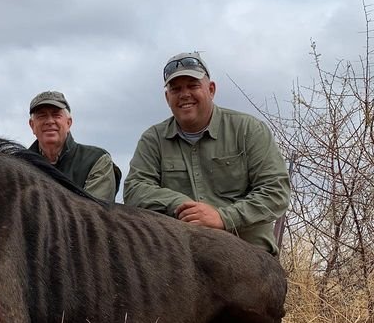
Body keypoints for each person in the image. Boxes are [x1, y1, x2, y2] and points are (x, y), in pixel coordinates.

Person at [123, 52, 290, 255]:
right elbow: (135, 189)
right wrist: (182, 207)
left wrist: (223, 218)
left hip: (247, 255)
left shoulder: (249, 129)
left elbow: (275, 192)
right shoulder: (153, 139)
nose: (184, 94)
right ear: (167, 98)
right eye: (175, 89)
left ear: (211, 89)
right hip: (178, 255)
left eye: (193, 86)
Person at [28, 90, 121, 202]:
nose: (49, 121)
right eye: (42, 116)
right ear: (32, 125)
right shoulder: (20, 163)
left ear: (69, 123)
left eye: (56, 115)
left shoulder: (97, 160)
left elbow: (95, 213)